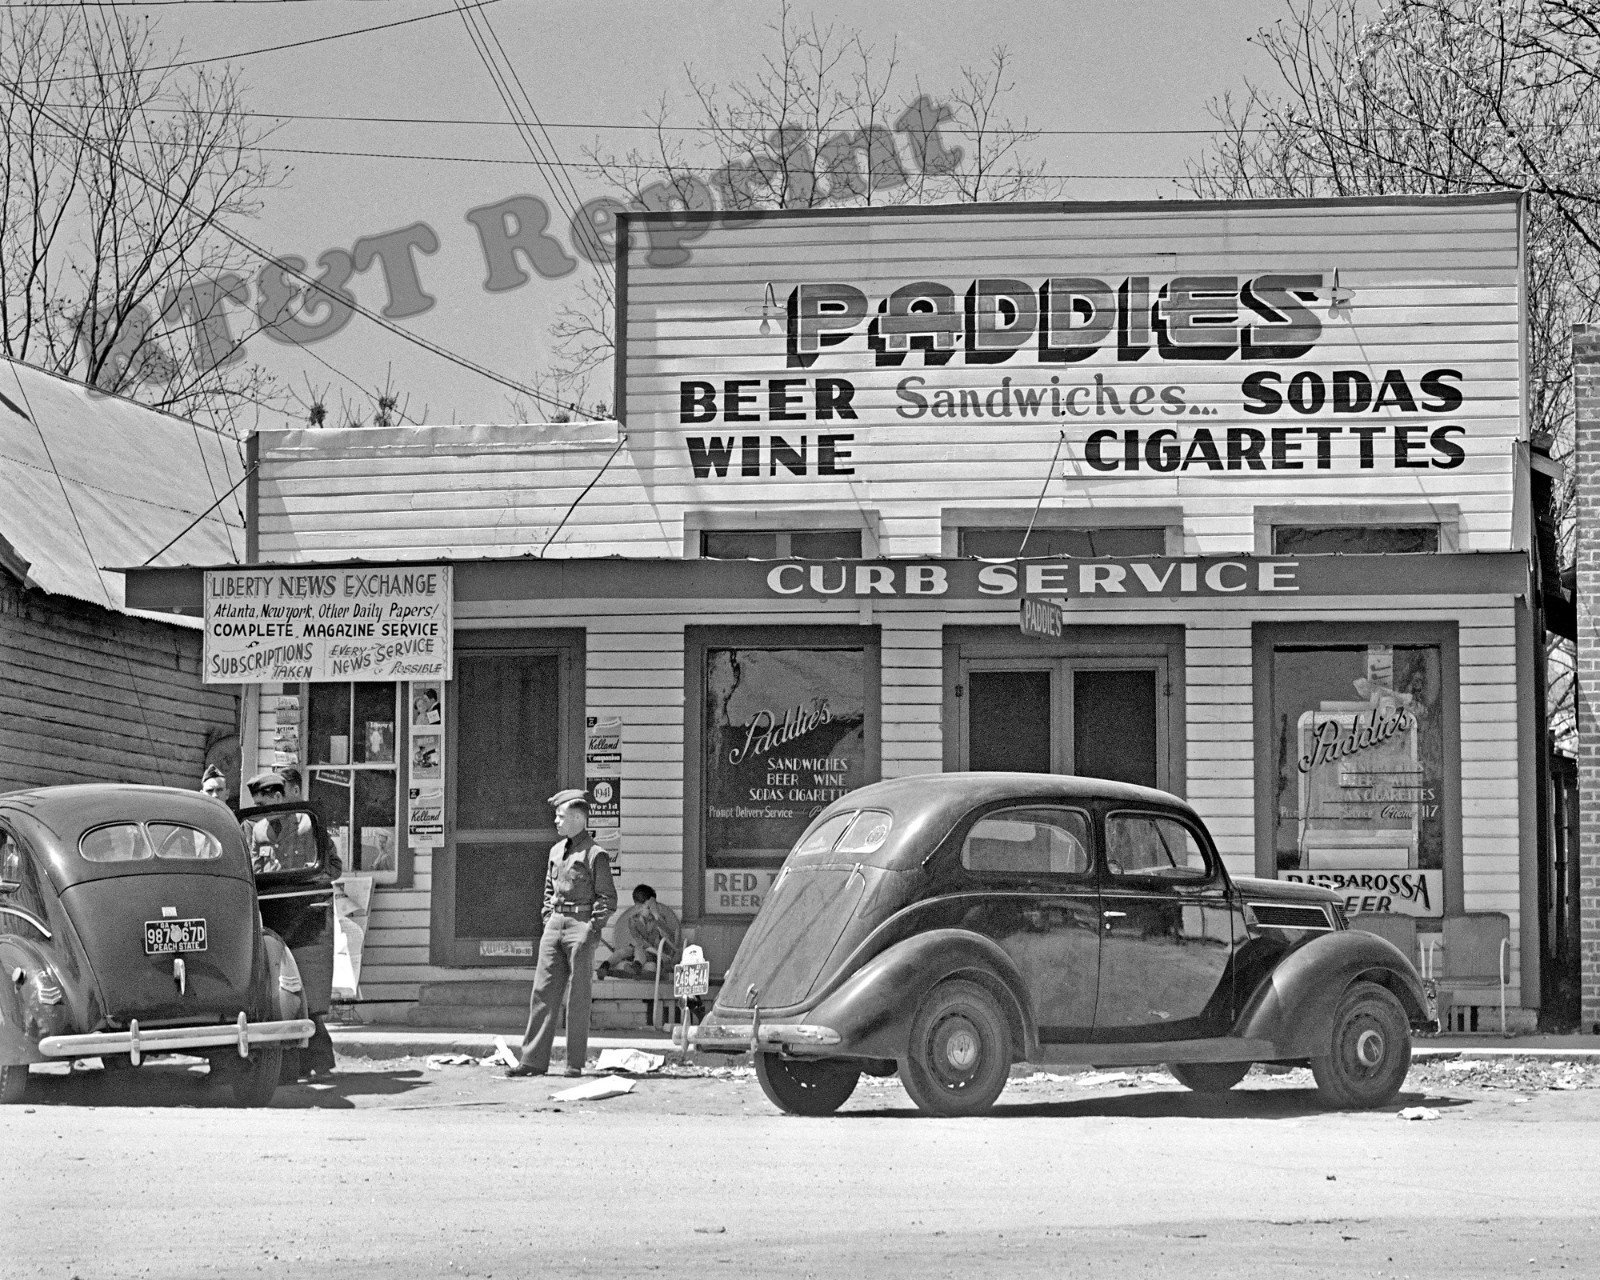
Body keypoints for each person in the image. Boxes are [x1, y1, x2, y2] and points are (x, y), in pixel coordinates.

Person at [507, 789, 617, 1079]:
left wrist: (591, 931)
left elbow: (607, 899)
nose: (556, 821)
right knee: (542, 992)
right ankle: (532, 1061)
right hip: (555, 924)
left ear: (579, 818)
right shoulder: (556, 851)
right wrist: (548, 919)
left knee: (578, 997)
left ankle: (574, 1063)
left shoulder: (596, 854)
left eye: (561, 815)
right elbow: (547, 891)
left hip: (580, 926)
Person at [599, 884, 680, 978]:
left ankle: (635, 967)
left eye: (653, 906)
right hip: (639, 949)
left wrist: (656, 915)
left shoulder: (659, 919)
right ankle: (605, 966)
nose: (651, 910)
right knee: (625, 951)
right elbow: (640, 941)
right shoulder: (633, 920)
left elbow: (669, 939)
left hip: (653, 954)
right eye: (648, 907)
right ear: (638, 907)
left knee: (640, 950)